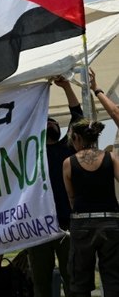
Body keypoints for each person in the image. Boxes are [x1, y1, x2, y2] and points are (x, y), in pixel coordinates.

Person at [27, 76, 82, 297]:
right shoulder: (30, 153)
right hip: (37, 227)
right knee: (40, 282)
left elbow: (78, 116)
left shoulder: (66, 148)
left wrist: (67, 87)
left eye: (55, 123)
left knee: (72, 279)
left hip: (66, 224)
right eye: (47, 122)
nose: (52, 124)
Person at [63, 119, 119, 297]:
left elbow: (71, 196)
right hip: (111, 221)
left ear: (77, 137)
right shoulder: (111, 157)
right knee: (114, 277)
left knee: (80, 280)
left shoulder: (68, 162)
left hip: (82, 222)